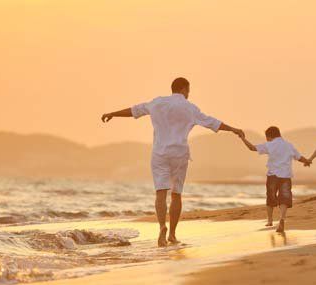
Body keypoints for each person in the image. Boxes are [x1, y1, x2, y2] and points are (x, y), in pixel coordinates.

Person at [101, 77, 244, 247]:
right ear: (184, 89)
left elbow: (134, 111)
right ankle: (173, 235)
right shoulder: (190, 108)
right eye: (188, 90)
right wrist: (233, 129)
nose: (188, 94)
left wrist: (112, 114)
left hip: (160, 153)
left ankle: (162, 227)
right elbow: (212, 122)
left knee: (160, 193)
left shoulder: (157, 103)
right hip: (179, 153)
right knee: (176, 194)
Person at [239, 126, 311, 232]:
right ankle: (282, 219)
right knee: (284, 199)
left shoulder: (270, 145)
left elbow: (252, 148)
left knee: (271, 197)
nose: (266, 139)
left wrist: (242, 138)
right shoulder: (289, 145)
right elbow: (299, 157)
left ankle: (270, 220)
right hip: (286, 176)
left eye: (266, 137)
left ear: (269, 136)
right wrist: (307, 161)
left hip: (273, 175)